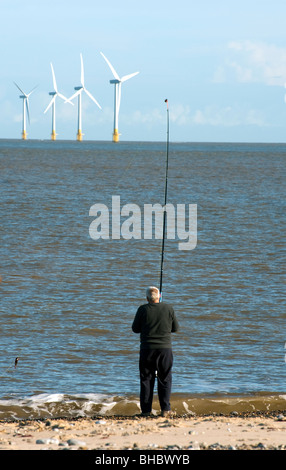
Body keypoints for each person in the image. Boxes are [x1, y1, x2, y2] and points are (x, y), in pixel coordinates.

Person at [132, 286, 179, 417]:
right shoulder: (168, 309)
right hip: (165, 350)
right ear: (159, 297)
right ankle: (166, 409)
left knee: (146, 379)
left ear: (147, 298)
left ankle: (146, 411)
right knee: (165, 378)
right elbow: (175, 328)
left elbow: (135, 329)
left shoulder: (142, 309)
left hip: (147, 349)